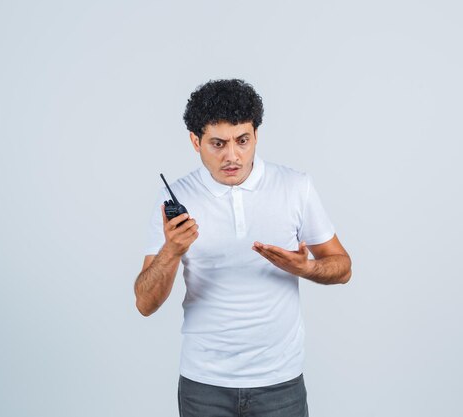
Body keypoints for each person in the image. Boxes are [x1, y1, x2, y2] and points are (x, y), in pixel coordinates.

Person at [134, 79, 352, 417]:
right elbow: (145, 303)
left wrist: (305, 268)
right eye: (218, 143)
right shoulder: (175, 200)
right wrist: (172, 251)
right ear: (196, 141)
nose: (232, 155)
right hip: (204, 383)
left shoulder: (295, 187)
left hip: (280, 382)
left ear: (256, 136)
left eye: (242, 141)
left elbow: (343, 268)